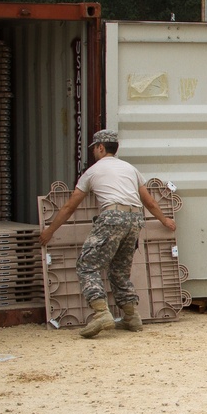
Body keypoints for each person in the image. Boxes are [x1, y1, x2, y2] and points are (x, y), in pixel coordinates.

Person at [39, 129, 177, 339]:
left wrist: (50, 231)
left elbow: (69, 207)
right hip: (134, 220)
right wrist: (165, 220)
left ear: (101, 147)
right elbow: (148, 201)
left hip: (112, 218)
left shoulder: (93, 172)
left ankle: (102, 313)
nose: (94, 152)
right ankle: (132, 317)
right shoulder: (131, 169)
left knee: (87, 265)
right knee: (119, 270)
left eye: (95, 148)